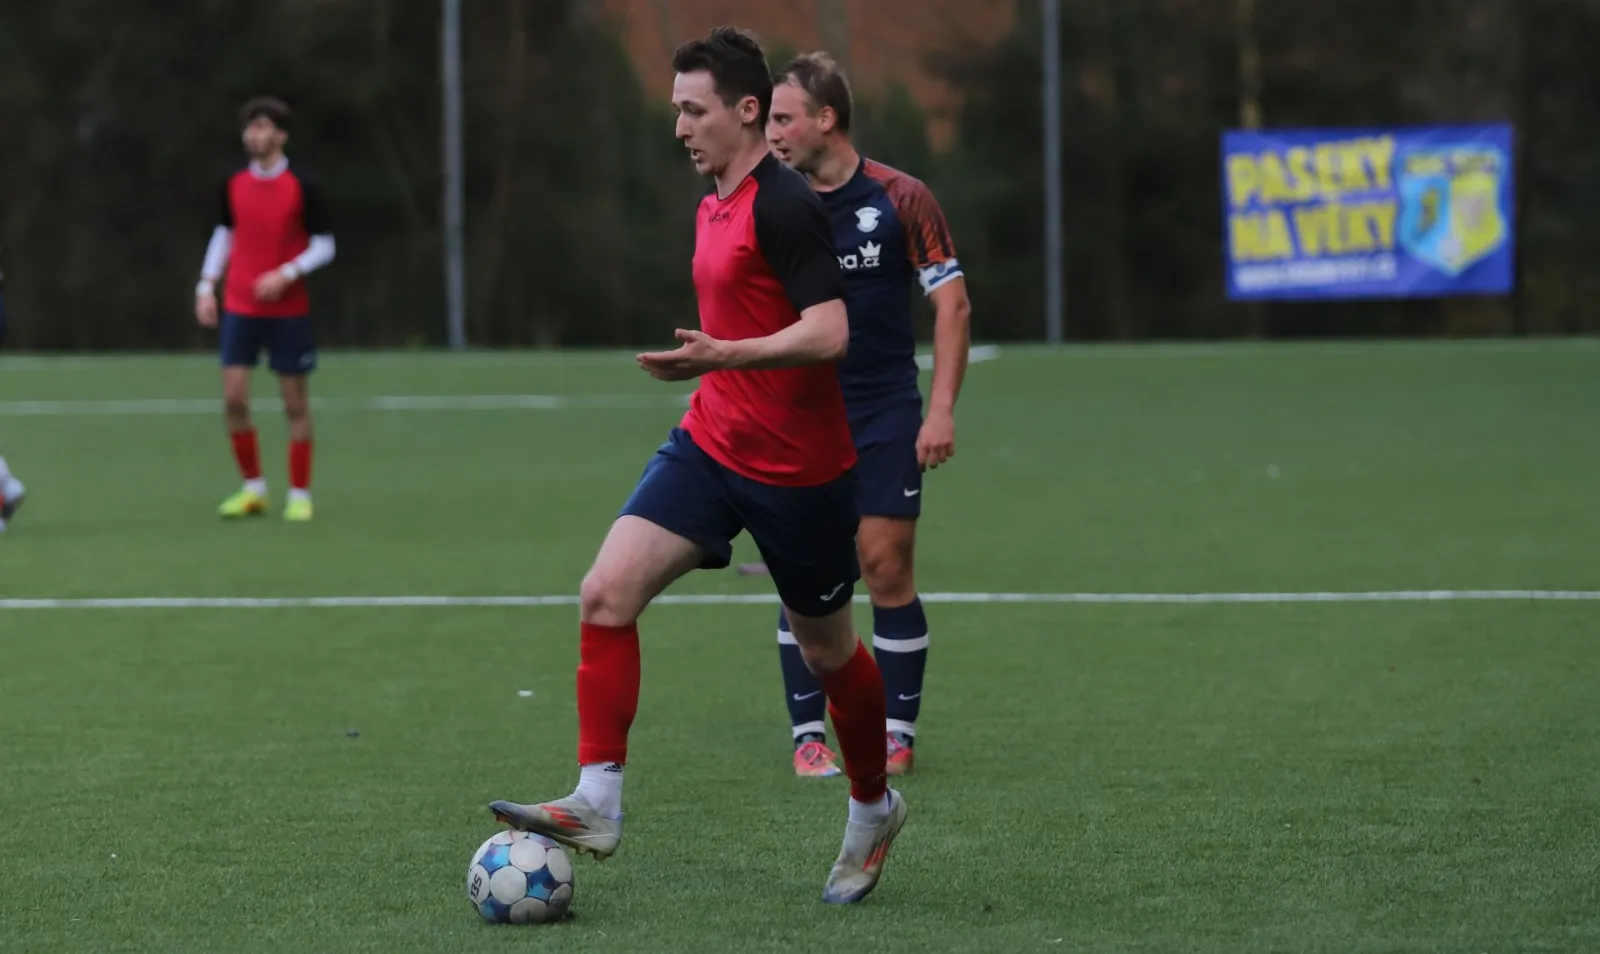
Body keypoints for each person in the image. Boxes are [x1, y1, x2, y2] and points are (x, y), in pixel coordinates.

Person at [489, 26, 907, 906]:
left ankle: (874, 807)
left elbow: (830, 332)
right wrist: (716, 372)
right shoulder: (711, 199)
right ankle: (598, 800)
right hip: (712, 443)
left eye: (693, 110)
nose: (679, 126)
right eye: (675, 109)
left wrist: (724, 355)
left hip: (799, 473)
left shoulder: (785, 205)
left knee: (829, 653)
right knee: (606, 592)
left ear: (746, 110)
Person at [764, 52, 972, 778]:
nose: (771, 133)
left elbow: (952, 306)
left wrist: (940, 411)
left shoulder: (901, 198)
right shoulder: (771, 204)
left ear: (826, 118)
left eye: (783, 118)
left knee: (885, 568)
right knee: (805, 575)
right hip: (797, 416)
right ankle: (807, 736)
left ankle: (895, 733)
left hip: (884, 410)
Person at [195, 96, 335, 522]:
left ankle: (300, 494)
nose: (253, 135)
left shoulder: (303, 186)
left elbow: (325, 246)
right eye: (250, 128)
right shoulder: (233, 183)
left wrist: (286, 274)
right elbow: (225, 233)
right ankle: (253, 489)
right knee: (234, 401)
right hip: (240, 307)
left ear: (281, 135)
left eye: (262, 127)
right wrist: (206, 285)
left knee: (294, 405)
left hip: (288, 312)